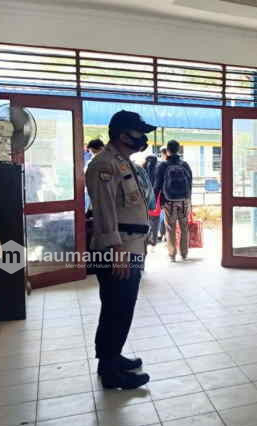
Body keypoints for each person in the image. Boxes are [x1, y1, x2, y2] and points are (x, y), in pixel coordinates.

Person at [85, 110, 153, 390]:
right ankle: (112, 372)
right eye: (139, 133)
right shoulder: (104, 165)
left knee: (118, 308)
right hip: (118, 249)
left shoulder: (123, 162)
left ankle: (110, 359)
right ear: (124, 135)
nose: (143, 138)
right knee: (118, 309)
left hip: (130, 246)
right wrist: (116, 249)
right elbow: (104, 211)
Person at [154, 140, 193, 262]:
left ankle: (172, 254)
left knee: (170, 227)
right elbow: (190, 183)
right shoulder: (184, 164)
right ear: (179, 149)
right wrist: (189, 200)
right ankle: (184, 253)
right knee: (184, 227)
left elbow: (157, 185)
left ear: (167, 151)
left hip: (169, 201)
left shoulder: (163, 165)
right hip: (184, 200)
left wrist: (154, 201)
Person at [143, 155, 161, 246]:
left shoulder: (142, 170)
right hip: (156, 198)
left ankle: (146, 238)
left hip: (144, 198)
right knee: (156, 219)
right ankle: (154, 239)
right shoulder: (158, 169)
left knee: (146, 219)